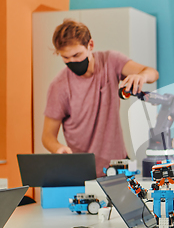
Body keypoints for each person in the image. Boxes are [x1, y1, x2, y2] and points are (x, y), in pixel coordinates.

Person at [42, 19, 159, 176]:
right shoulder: (59, 86)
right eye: (65, 58)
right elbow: (47, 136)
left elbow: (152, 73)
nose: (72, 62)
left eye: (76, 55)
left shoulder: (111, 61)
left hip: (118, 167)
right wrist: (58, 148)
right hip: (84, 171)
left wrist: (142, 77)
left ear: (90, 45)